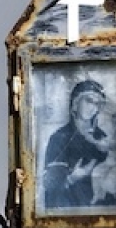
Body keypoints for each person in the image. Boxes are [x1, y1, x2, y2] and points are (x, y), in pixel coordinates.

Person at [41, 78, 111, 208]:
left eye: (97, 104)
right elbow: (51, 188)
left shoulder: (101, 137)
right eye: (89, 101)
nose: (92, 108)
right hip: (71, 210)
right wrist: (72, 178)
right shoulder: (59, 138)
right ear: (75, 103)